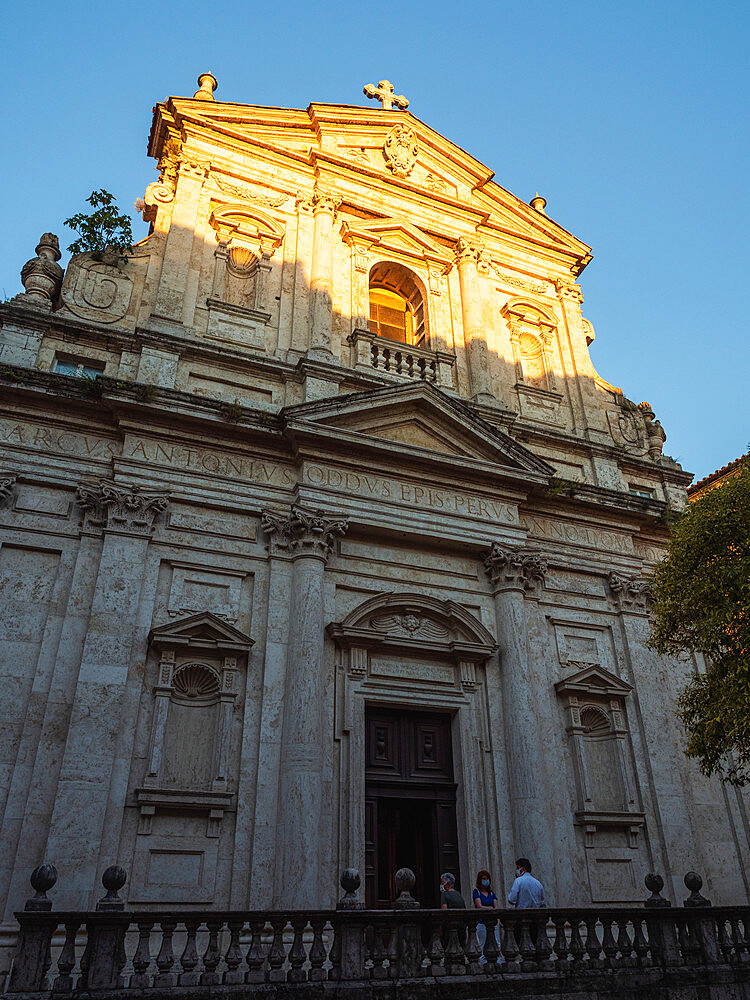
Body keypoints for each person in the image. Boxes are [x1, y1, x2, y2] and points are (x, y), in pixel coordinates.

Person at [472, 869, 503, 964]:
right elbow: (479, 906)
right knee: (482, 942)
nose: (486, 881)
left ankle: (498, 961)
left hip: (493, 921)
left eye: (487, 878)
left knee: (496, 941)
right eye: (483, 879)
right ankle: (482, 962)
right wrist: (489, 908)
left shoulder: (492, 893)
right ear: (479, 880)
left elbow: (496, 906)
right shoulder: (476, 892)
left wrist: (491, 908)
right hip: (481, 922)